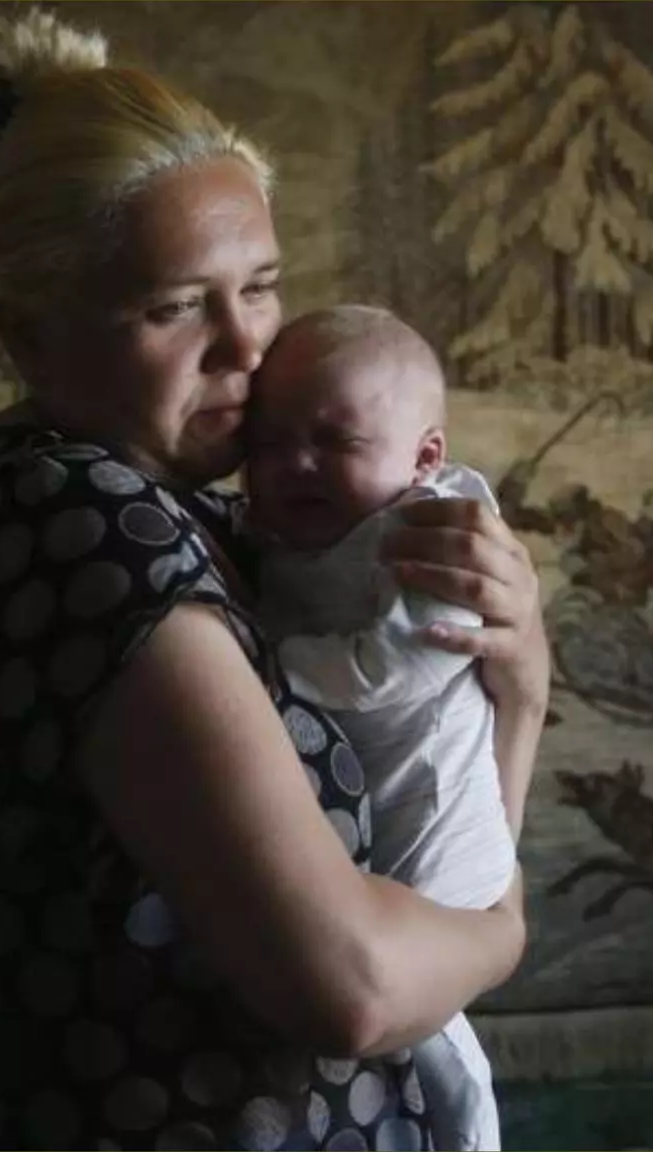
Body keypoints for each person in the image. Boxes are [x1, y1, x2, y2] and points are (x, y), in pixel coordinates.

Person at [0, 11, 551, 1150]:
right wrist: (508, 927)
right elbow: (359, 986)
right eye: (175, 306)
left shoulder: (206, 523)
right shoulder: (76, 532)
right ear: (30, 333)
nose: (245, 346)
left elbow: (425, 847)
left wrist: (512, 689)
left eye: (260, 286)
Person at [244, 305, 515, 1151]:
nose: (297, 464)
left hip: (443, 836)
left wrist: (270, 668)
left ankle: (472, 1134)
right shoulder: (286, 527)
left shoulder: (439, 529)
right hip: (382, 822)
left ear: (424, 456)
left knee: (427, 1025)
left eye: (336, 441)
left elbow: (397, 666)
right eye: (271, 441)